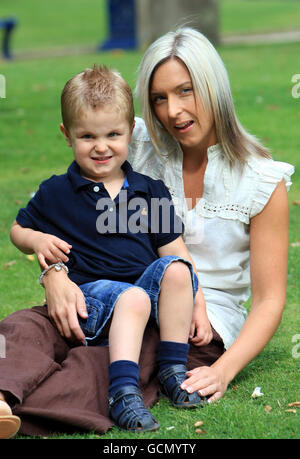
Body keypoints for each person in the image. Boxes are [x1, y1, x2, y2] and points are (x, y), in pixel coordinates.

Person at [0, 26, 294, 438]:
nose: (172, 110)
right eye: (159, 98)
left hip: (193, 325)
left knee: (102, 364)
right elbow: (61, 211)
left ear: (215, 88)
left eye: (186, 90)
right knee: (25, 326)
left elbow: (268, 301)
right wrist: (54, 274)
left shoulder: (262, 180)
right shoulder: (134, 141)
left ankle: (20, 410)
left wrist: (222, 371)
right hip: (105, 291)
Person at [5, 64, 209, 437]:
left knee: (178, 269)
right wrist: (36, 241)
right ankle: (122, 393)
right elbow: (18, 229)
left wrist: (199, 304)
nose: (101, 146)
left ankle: (172, 370)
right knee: (130, 297)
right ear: (67, 136)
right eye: (87, 136)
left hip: (144, 299)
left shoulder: (150, 190)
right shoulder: (56, 192)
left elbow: (175, 250)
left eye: (113, 134)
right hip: (92, 300)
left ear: (131, 130)